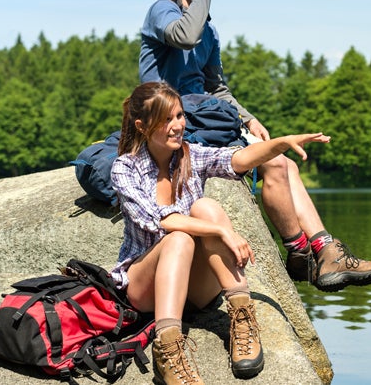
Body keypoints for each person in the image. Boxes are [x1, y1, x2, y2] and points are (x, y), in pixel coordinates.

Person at [139, 0, 371, 293]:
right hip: (170, 122)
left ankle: (324, 250)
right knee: (273, 165)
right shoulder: (162, 11)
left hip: (205, 119)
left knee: (285, 163)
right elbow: (184, 36)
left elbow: (217, 87)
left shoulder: (208, 32)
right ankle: (301, 252)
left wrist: (248, 119)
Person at [110, 81, 331, 384]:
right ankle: (169, 350)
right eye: (167, 119)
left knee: (206, 206)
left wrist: (280, 143)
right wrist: (220, 231)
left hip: (195, 290)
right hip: (145, 288)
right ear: (142, 125)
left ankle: (242, 317)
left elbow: (235, 160)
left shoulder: (189, 156)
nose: (178, 126)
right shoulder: (125, 168)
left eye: (180, 116)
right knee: (179, 237)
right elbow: (158, 220)